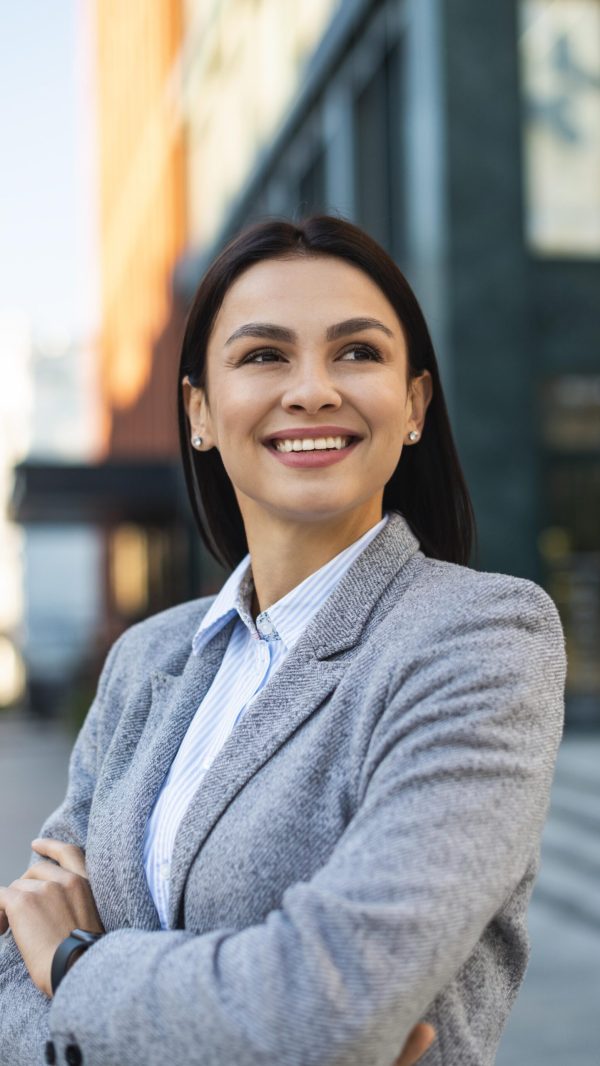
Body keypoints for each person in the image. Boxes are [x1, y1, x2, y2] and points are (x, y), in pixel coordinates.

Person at [0, 215, 565, 1066]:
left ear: (413, 405)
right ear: (199, 410)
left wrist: (78, 964)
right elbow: (12, 967)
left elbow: (328, 1003)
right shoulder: (147, 659)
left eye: (357, 353)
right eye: (264, 355)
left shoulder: (480, 637)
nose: (312, 390)